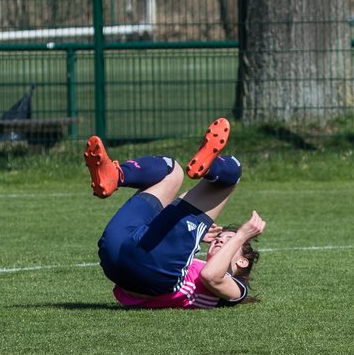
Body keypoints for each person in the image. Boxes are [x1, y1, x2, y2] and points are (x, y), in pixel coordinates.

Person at [85, 118, 264, 309]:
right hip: (116, 254)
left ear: (243, 262)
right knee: (171, 170)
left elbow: (211, 276)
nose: (219, 240)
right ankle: (116, 174)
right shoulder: (187, 262)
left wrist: (242, 235)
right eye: (222, 237)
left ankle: (210, 167)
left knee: (232, 177)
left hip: (149, 270)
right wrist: (195, 237)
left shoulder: (236, 290)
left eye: (228, 240)